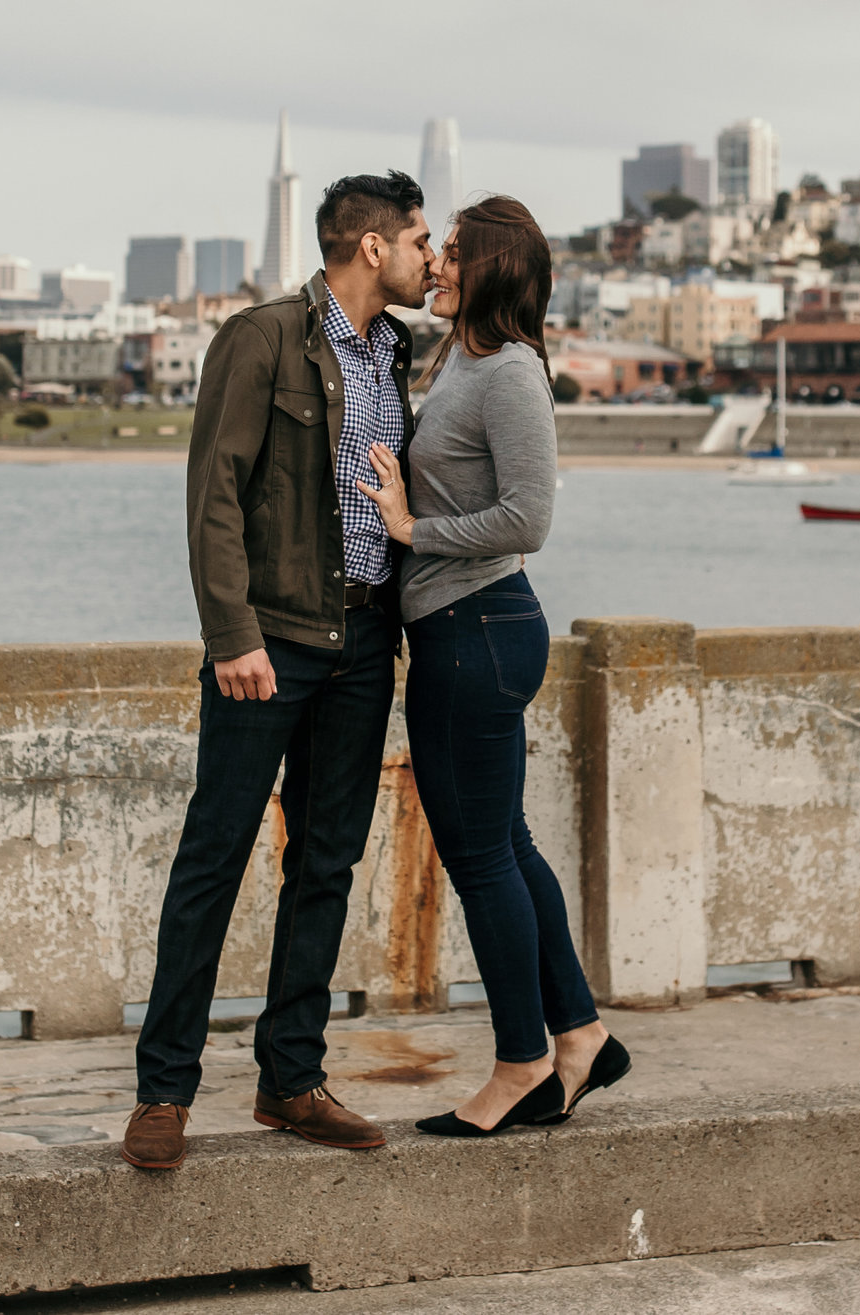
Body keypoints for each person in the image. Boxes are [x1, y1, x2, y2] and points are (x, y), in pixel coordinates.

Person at [121, 172, 432, 1172]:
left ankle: (289, 1078)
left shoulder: (397, 354)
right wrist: (231, 635)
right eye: (420, 237)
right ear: (371, 247)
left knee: (326, 862)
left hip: (363, 644)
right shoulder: (261, 338)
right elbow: (214, 489)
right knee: (212, 857)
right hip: (273, 643)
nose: (432, 256)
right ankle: (163, 1089)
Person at [357, 194, 629, 1136]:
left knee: (479, 859)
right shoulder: (466, 362)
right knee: (505, 844)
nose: (434, 266)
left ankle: (522, 1061)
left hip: (478, 626)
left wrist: (410, 528)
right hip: (466, 626)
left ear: (492, 271)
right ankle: (582, 1035)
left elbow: (529, 519)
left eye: (452, 254)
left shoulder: (511, 373)